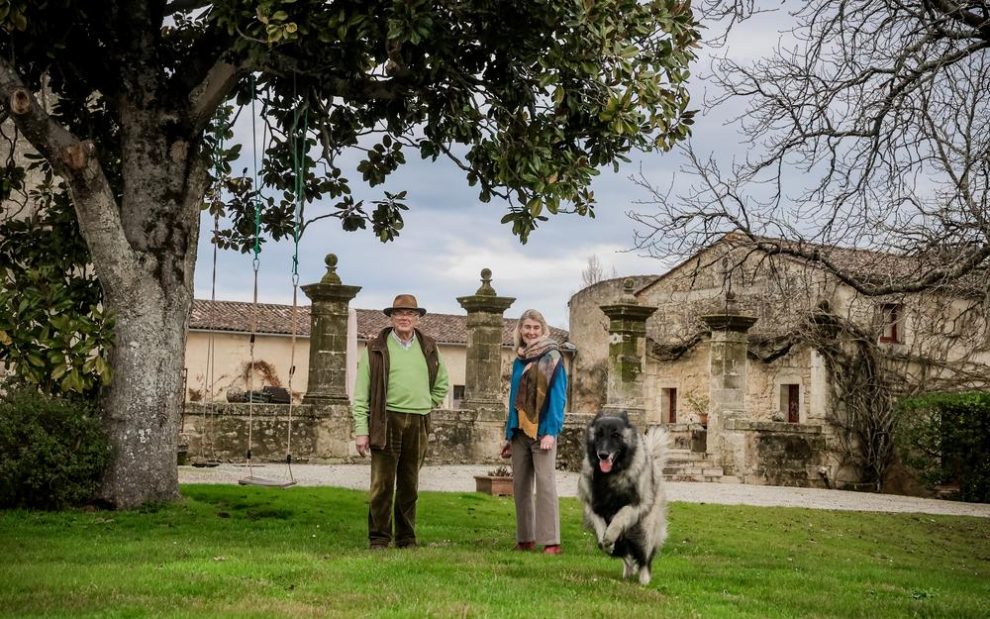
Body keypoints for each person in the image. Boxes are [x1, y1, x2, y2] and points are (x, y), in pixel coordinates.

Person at [352, 294, 450, 549]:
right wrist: (361, 430)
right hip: (386, 420)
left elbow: (442, 384)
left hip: (419, 420)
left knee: (409, 484)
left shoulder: (429, 346)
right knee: (382, 484)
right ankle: (379, 538)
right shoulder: (375, 348)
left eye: (410, 313)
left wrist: (427, 403)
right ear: (391, 317)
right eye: (399, 313)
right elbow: (361, 393)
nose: (404, 318)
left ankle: (406, 538)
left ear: (417, 318)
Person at [500, 309, 568, 554]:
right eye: (527, 327)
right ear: (520, 330)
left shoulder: (553, 357)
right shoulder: (519, 359)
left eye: (536, 327)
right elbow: (513, 400)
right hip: (519, 432)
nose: (531, 332)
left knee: (546, 484)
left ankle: (551, 542)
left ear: (543, 330)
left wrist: (551, 432)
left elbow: (558, 398)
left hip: (542, 431)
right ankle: (525, 538)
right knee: (520, 486)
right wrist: (509, 435)